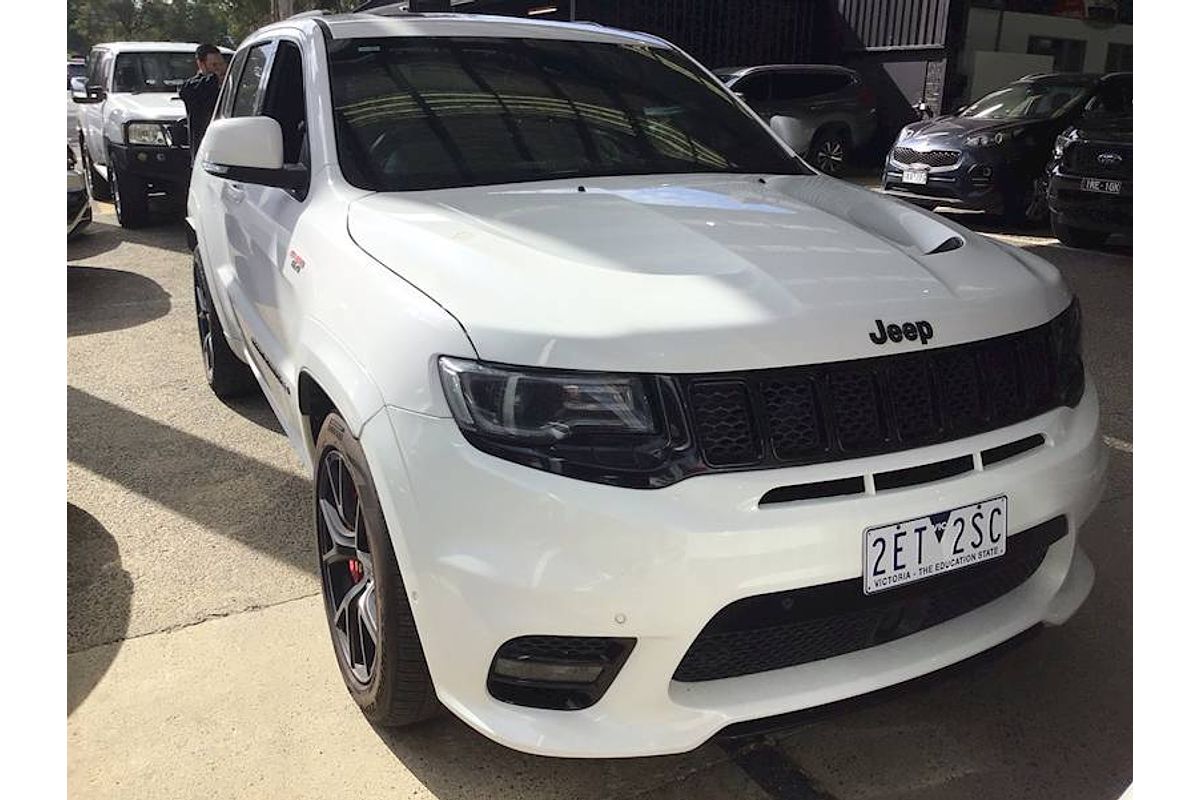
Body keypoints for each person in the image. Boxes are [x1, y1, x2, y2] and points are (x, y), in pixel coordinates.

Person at [179, 44, 228, 162]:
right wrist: (216, 79)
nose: (219, 68)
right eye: (214, 65)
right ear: (201, 64)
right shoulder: (192, 87)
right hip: (204, 150)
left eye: (221, 64)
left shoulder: (230, 83)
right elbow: (191, 90)